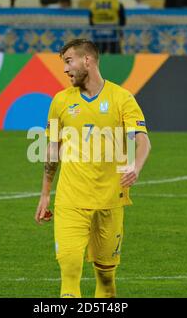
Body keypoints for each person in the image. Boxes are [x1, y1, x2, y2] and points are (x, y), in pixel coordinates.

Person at [34, 39, 151, 298]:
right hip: (70, 199)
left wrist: (136, 165)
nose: (65, 70)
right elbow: (52, 150)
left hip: (110, 199)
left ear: (87, 60)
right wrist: (44, 194)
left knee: (106, 279)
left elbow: (142, 140)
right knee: (70, 273)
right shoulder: (60, 102)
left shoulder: (122, 99)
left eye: (68, 61)